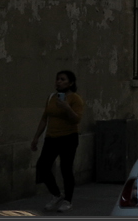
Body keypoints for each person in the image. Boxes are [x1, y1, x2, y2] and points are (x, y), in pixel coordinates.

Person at [30, 69, 85, 212]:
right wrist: (36, 137)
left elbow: (76, 119)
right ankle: (56, 194)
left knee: (66, 168)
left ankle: (68, 200)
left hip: (68, 137)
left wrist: (67, 108)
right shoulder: (51, 98)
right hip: (51, 138)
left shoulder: (75, 99)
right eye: (57, 79)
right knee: (43, 166)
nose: (59, 82)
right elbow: (44, 118)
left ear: (70, 83)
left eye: (62, 79)